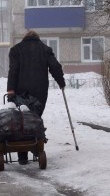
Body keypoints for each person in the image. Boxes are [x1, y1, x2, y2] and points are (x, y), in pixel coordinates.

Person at [7, 29, 66, 165]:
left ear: (25, 38)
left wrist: (10, 90)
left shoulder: (16, 50)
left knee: (21, 119)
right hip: (40, 92)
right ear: (37, 38)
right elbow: (55, 67)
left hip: (20, 92)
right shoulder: (45, 49)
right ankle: (35, 145)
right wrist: (61, 82)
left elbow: (13, 70)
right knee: (35, 117)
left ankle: (22, 155)